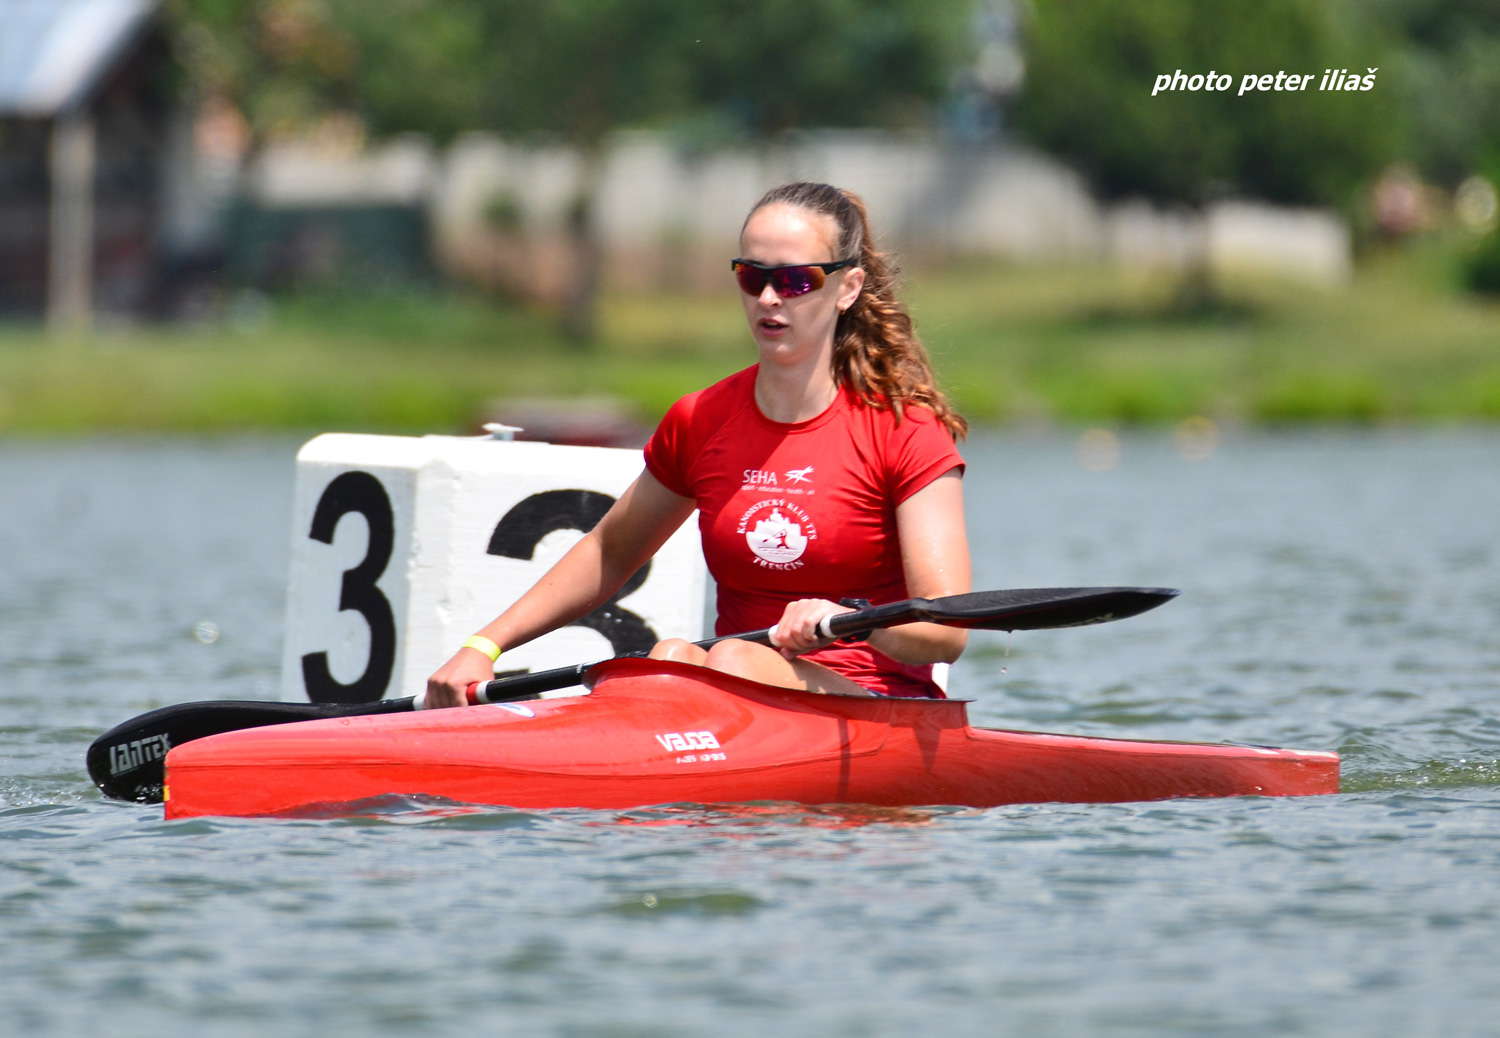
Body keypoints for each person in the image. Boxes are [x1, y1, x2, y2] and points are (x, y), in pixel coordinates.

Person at [424, 181, 970, 707]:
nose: (770, 298)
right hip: (733, 686)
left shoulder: (904, 430)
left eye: (796, 281)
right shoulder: (701, 420)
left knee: (726, 659)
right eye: (751, 277)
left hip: (875, 698)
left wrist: (853, 618)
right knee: (667, 658)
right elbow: (610, 552)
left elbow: (945, 630)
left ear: (847, 288)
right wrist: (483, 646)